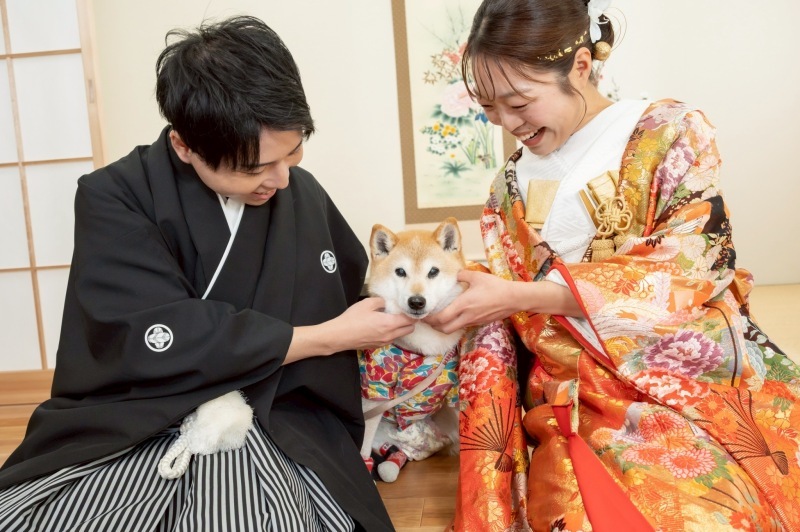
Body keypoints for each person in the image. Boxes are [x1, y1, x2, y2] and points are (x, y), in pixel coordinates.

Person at [0, 16, 414, 531]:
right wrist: (325, 337)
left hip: (277, 413)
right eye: (254, 168)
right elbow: (149, 332)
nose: (282, 179)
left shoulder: (299, 190)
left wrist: (418, 310)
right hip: (142, 418)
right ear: (184, 146)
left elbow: (354, 293)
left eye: (293, 152)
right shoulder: (115, 196)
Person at [425, 0, 800, 530]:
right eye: (489, 107)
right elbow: (512, 308)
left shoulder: (668, 132)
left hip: (686, 374)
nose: (507, 124)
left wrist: (524, 296)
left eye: (519, 102)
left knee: (720, 512)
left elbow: (694, 264)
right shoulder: (506, 188)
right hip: (574, 400)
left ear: (580, 66)